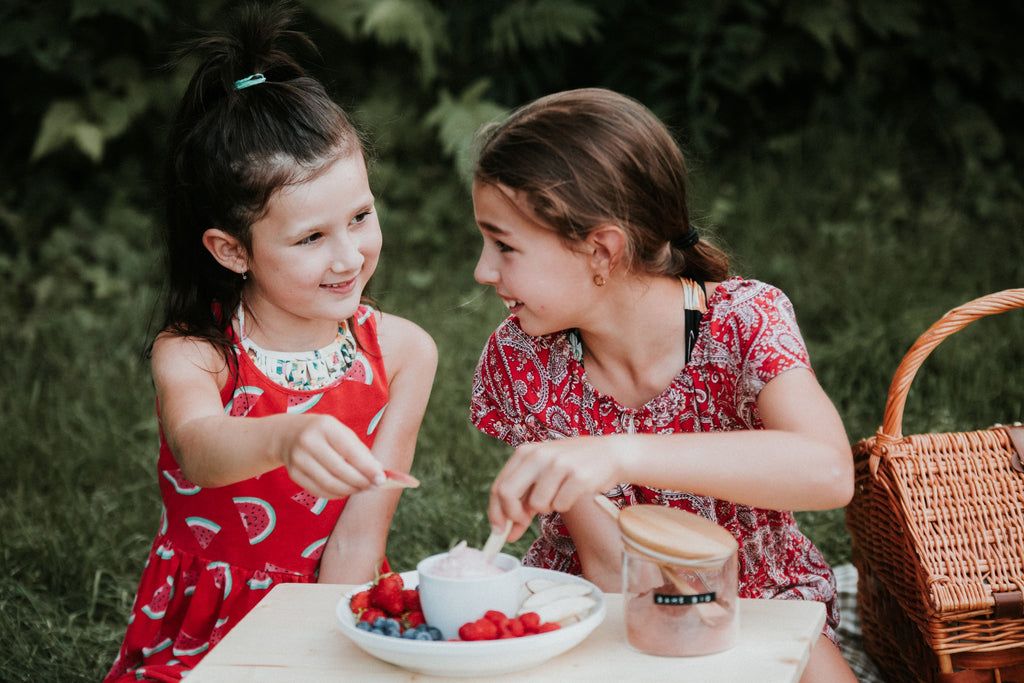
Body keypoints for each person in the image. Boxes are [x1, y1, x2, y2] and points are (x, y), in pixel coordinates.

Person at [469, 88, 857, 682]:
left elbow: (828, 472)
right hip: (607, 610)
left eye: (505, 246)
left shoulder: (745, 320)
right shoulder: (523, 360)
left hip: (758, 601)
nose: (483, 270)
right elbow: (606, 567)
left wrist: (620, 453)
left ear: (601, 249)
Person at [104, 4, 436, 680]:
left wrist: (320, 658)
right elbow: (200, 448)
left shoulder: (403, 353)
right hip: (205, 629)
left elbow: (358, 538)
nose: (348, 257)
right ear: (231, 250)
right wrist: (285, 435)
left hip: (334, 608)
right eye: (311, 237)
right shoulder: (198, 351)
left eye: (361, 216)